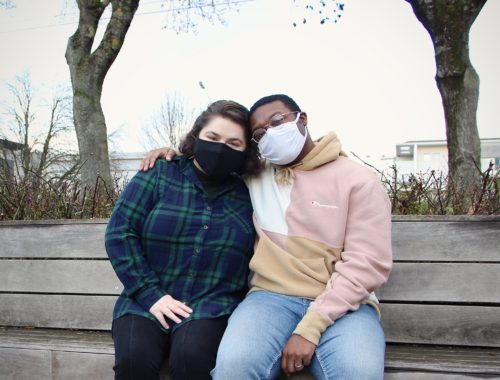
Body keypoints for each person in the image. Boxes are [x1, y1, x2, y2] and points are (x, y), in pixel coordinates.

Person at [140, 94, 393, 380]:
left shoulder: (359, 181)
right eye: (260, 133)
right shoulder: (256, 175)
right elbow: (212, 160)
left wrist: (310, 329)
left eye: (277, 121)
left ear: (302, 119)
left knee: (357, 373)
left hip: (346, 306)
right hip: (270, 299)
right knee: (233, 369)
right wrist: (173, 154)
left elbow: (367, 263)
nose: (270, 133)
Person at [105, 100, 262, 380]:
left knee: (192, 360)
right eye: (212, 138)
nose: (220, 148)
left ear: (245, 152)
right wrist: (151, 295)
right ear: (197, 136)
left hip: (210, 305)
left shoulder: (249, 193)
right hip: (145, 300)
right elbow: (121, 232)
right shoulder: (159, 173)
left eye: (233, 143)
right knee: (134, 361)